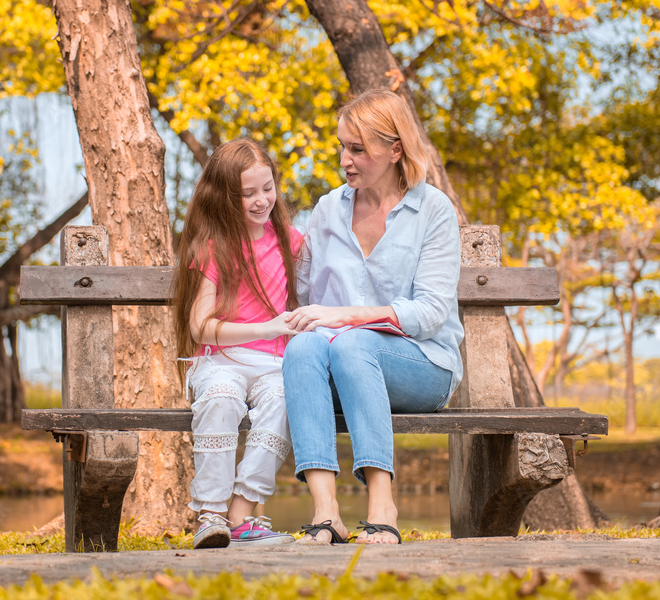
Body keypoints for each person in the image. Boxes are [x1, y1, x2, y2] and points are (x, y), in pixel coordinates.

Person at [282, 89, 464, 545]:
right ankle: (326, 513)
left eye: (358, 149)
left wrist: (346, 318)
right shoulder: (327, 210)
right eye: (342, 146)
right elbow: (304, 298)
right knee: (305, 343)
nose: (345, 159)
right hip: (341, 367)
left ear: (395, 149)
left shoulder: (433, 210)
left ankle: (383, 506)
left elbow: (430, 312)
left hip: (423, 365)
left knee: (350, 341)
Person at [171, 138, 303, 549]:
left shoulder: (291, 242)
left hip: (272, 364)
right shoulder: (213, 247)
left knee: (286, 397)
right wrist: (266, 328)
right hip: (221, 359)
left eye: (268, 187)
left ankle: (243, 514)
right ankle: (211, 513)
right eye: (249, 193)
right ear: (226, 197)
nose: (262, 200)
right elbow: (200, 328)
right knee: (223, 397)